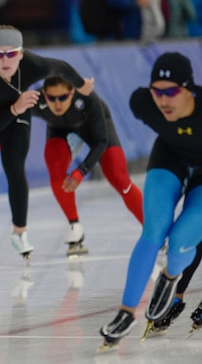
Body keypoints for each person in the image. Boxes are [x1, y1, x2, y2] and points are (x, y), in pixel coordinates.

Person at [0, 25, 94, 259]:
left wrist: (82, 84)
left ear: (21, 54)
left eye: (12, 53)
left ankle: (19, 233)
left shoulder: (35, 65)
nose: (6, 60)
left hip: (18, 105)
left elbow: (62, 68)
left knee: (15, 166)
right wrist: (15, 108)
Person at [99, 52, 202, 349]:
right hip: (170, 159)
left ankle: (169, 278)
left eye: (171, 91)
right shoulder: (142, 103)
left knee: (182, 239)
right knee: (154, 230)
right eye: (157, 91)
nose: (163, 100)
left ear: (189, 89)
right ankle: (126, 312)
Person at [32, 76, 143, 256]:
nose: (57, 104)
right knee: (55, 166)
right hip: (60, 132)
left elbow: (100, 142)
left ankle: (153, 230)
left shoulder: (90, 100)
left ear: (73, 92)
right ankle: (74, 225)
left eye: (63, 97)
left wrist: (82, 170)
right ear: (44, 94)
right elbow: (14, 116)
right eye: (51, 98)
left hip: (93, 131)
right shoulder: (35, 100)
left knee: (119, 178)